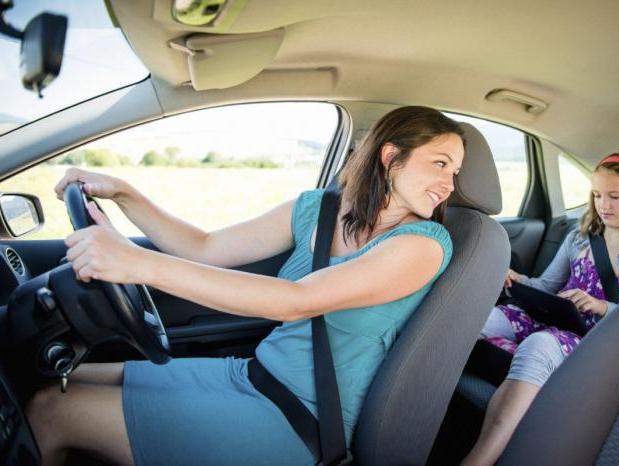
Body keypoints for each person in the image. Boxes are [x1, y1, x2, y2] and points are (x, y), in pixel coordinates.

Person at [25, 106, 465, 466]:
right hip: (252, 375)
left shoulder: (423, 245)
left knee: (52, 410)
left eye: (455, 171)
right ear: (391, 156)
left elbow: (298, 302)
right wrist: (125, 194)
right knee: (53, 375)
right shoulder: (317, 209)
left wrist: (137, 263)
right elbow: (205, 247)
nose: (449, 185)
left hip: (304, 419)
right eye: (440, 164)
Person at [461, 151, 619, 466]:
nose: (604, 205)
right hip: (555, 319)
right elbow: (547, 286)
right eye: (598, 195)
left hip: (596, 339)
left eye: (615, 196)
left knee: (539, 344)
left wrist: (602, 306)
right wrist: (517, 280)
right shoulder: (579, 237)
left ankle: (479, 459)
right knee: (477, 321)